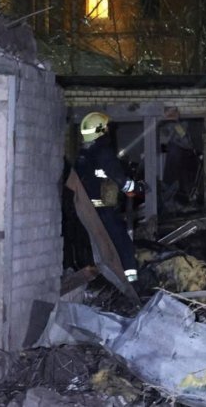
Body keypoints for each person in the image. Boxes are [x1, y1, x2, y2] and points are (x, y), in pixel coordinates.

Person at [74, 112, 147, 286]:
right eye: (105, 128)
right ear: (100, 130)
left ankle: (103, 281)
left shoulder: (83, 154)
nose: (108, 130)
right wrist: (137, 188)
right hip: (103, 210)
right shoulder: (103, 152)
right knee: (123, 245)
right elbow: (120, 179)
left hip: (86, 210)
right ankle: (132, 284)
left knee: (98, 247)